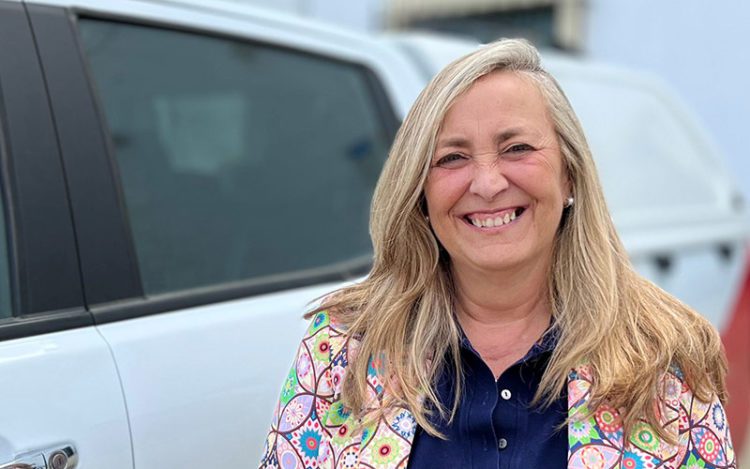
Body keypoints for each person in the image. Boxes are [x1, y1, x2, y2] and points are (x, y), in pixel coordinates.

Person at [259, 38, 735, 468]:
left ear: (569, 174)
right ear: (419, 192)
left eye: (517, 148)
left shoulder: (665, 354)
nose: (487, 184)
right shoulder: (344, 347)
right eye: (451, 158)